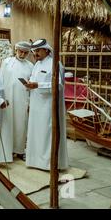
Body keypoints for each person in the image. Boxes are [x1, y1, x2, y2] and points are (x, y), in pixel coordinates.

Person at [23, 39, 69, 170]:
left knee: (47, 134)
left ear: (46, 50)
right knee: (36, 133)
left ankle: (49, 164)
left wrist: (38, 85)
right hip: (36, 106)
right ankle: (35, 162)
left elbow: (59, 85)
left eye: (38, 51)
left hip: (48, 107)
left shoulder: (55, 64)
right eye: (34, 51)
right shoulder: (37, 64)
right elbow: (34, 80)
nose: (35, 53)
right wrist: (30, 84)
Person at [0, 41, 34, 160]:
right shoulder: (7, 62)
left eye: (25, 53)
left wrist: (30, 102)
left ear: (28, 53)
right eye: (20, 51)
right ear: (16, 50)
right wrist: (1, 99)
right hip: (8, 99)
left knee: (21, 125)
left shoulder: (30, 66)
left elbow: (32, 86)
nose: (22, 54)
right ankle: (7, 151)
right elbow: (0, 80)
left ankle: (19, 151)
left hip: (23, 100)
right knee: (8, 124)